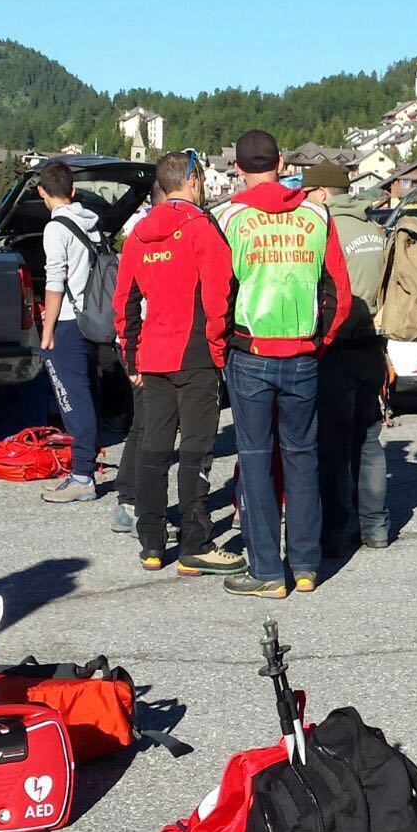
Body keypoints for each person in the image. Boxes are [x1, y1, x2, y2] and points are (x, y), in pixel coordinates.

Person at [213, 131, 350, 599]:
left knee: (254, 462)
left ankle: (268, 570)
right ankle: (308, 567)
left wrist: (218, 348)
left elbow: (216, 295)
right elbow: (339, 294)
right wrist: (319, 340)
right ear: (283, 161)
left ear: (237, 169)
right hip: (302, 354)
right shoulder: (316, 213)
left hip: (250, 352)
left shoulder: (228, 217)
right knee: (302, 458)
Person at [113, 150, 244, 576]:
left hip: (154, 353)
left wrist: (131, 355)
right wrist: (219, 347)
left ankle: (151, 543)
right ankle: (196, 543)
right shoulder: (201, 227)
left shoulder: (137, 233)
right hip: (196, 354)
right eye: (201, 179)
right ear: (191, 180)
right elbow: (220, 291)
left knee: (153, 449)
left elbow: (125, 303)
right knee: (196, 451)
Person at [302, 161, 391, 556]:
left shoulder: (325, 229)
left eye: (308, 193)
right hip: (373, 344)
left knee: (334, 445)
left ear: (322, 193)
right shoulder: (375, 231)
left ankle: (334, 533)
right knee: (369, 439)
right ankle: (376, 527)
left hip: (335, 346)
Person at [36, 159, 103, 503]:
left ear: (42, 192)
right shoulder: (92, 223)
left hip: (66, 321)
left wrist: (46, 331)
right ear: (73, 191)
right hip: (92, 320)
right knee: (85, 394)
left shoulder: (55, 228)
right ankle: (84, 467)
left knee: (72, 399)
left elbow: (54, 281)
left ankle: (82, 475)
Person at [111, 181, 165, 536]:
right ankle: (129, 503)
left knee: (144, 424)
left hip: (140, 339)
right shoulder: (148, 237)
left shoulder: (139, 233)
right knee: (146, 425)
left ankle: (129, 499)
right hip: (143, 341)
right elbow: (129, 300)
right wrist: (134, 356)